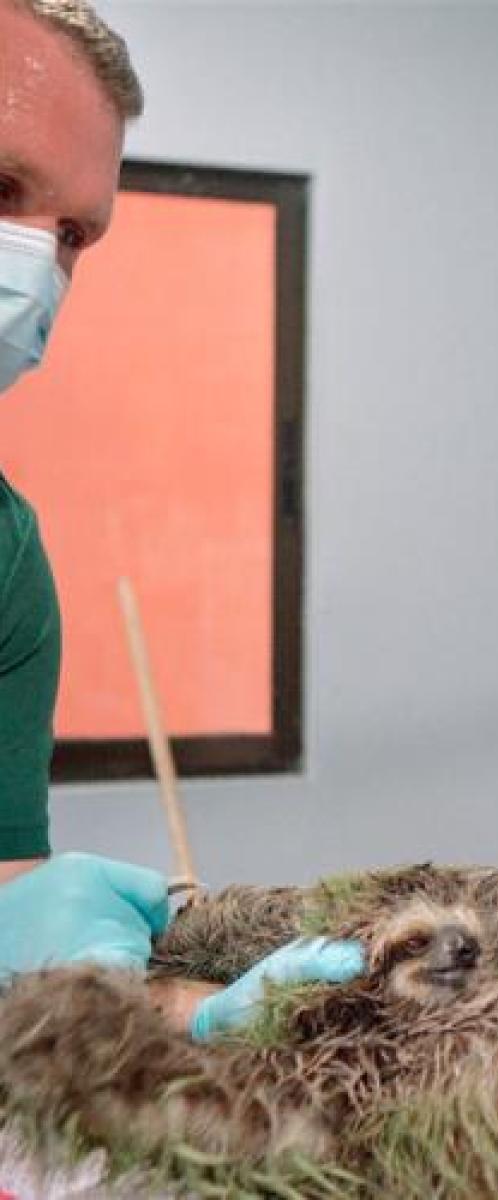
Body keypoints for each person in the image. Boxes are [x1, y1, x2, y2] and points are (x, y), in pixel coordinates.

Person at [0, 0, 361, 1024]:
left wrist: (181, 1016)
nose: (32, 264)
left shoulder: (7, 561)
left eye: (72, 234)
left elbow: (8, 910)